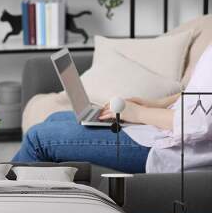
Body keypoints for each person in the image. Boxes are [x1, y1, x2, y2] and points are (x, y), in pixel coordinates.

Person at [13, 45, 212, 174]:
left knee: (38, 138)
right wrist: (155, 104)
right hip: (157, 129)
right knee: (54, 119)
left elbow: (198, 123)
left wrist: (139, 114)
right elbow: (198, 93)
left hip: (166, 148)